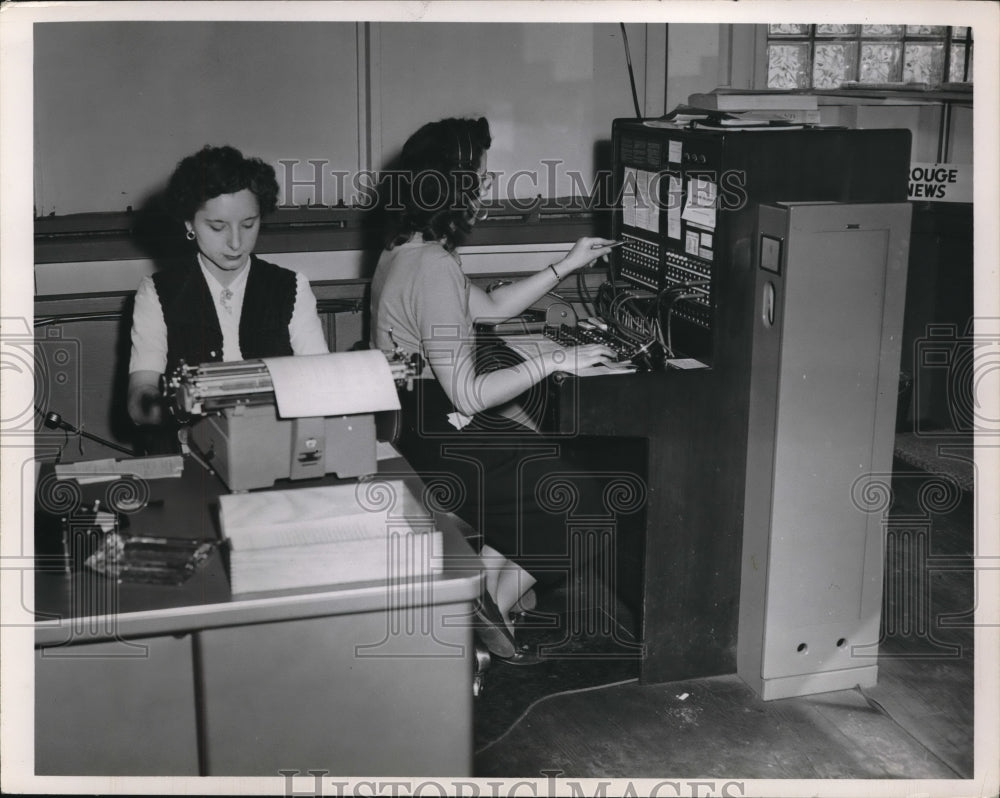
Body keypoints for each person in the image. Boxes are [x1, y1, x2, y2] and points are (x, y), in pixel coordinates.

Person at [370, 117, 625, 659]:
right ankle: (491, 626)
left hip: (420, 426)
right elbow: (467, 393)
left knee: (560, 477)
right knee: (588, 504)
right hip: (444, 437)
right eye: (480, 179)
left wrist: (567, 263)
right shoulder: (432, 264)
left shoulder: (406, 247)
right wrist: (561, 358)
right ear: (455, 186)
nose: (485, 189)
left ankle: (481, 603)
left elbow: (489, 307)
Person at [127, 145, 329, 428]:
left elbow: (322, 381)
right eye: (217, 227)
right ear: (190, 222)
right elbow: (140, 399)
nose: (236, 243)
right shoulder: (157, 292)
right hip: (189, 447)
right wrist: (175, 407)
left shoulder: (292, 287)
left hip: (277, 441)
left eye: (248, 224)